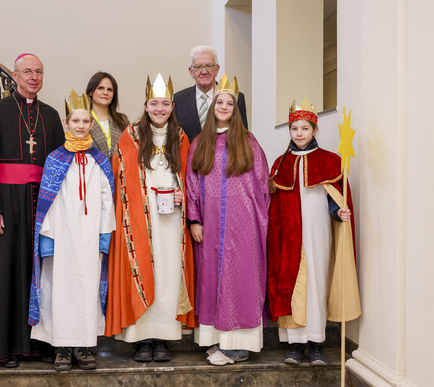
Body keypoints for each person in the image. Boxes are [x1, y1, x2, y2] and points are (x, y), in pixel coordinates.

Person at [0, 53, 65, 367]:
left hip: (42, 205)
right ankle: (5, 348)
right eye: (27, 71)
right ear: (15, 75)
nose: (34, 77)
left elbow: (59, 167)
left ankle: (38, 346)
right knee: (7, 274)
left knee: (39, 274)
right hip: (7, 205)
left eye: (39, 71)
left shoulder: (50, 115)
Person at [105, 74, 196, 363]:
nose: (159, 108)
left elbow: (190, 178)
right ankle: (142, 338)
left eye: (165, 103)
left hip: (172, 220)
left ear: (172, 106)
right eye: (154, 103)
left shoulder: (181, 138)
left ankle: (164, 338)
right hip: (139, 220)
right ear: (145, 105)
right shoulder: (130, 136)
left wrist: (183, 194)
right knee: (142, 267)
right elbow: (120, 179)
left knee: (168, 273)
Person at [267, 97, 360, 366]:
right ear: (290, 131)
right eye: (294, 129)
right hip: (288, 236)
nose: (299, 134)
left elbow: (335, 199)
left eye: (305, 129)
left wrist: (339, 213)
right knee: (292, 281)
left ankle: (316, 342)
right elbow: (274, 206)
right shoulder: (280, 164)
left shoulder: (330, 161)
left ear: (315, 130)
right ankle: (295, 344)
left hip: (318, 234)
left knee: (317, 282)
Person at [28, 90, 115, 370]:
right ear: (66, 123)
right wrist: (48, 239)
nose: (80, 126)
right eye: (75, 121)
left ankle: (84, 346)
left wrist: (104, 235)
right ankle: (62, 348)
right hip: (62, 239)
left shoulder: (99, 161)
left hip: (89, 239)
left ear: (91, 125)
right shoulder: (55, 159)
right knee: (60, 290)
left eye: (85, 122)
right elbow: (47, 203)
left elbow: (107, 200)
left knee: (87, 289)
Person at [186, 74, 270, 366]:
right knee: (212, 280)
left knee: (240, 280)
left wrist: (259, 224)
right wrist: (194, 219)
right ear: (212, 108)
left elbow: (262, 184)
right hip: (210, 227)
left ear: (236, 110)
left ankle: (238, 346)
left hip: (243, 226)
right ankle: (220, 340)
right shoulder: (200, 143)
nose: (223, 106)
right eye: (219, 102)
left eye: (229, 103)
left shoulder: (248, 142)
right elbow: (192, 184)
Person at [174, 45, 248, 141]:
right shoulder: (178, 100)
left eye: (209, 66)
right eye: (198, 67)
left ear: (216, 70)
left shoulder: (236, 98)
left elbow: (244, 137)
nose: (204, 71)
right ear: (191, 72)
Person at [85, 71, 130, 161]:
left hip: (119, 173)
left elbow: (130, 151)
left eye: (110, 89)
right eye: (100, 88)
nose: (105, 92)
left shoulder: (122, 120)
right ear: (90, 92)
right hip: (92, 174)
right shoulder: (82, 120)